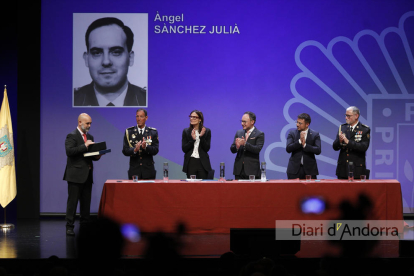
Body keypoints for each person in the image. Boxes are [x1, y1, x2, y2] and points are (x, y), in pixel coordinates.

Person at [74, 17, 146, 106]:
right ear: (86, 59)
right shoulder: (71, 100)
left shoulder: (149, 100)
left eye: (116, 52)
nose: (106, 61)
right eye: (96, 53)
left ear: (130, 58)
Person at [63, 113, 102, 236]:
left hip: (87, 174)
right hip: (75, 175)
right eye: (87, 123)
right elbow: (69, 152)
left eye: (90, 123)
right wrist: (84, 145)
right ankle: (69, 226)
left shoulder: (90, 136)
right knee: (72, 203)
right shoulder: (72, 136)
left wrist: (97, 156)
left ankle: (84, 226)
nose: (89, 125)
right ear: (80, 122)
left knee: (86, 203)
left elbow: (89, 156)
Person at [333, 106, 370, 179]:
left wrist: (348, 142)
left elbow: (364, 147)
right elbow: (335, 147)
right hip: (343, 168)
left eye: (348, 116)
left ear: (356, 116)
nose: (346, 118)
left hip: (357, 169)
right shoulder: (342, 127)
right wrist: (339, 141)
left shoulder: (364, 129)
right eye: (345, 115)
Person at [122, 109, 158, 179]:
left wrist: (146, 147)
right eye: (137, 116)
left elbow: (155, 150)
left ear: (146, 118)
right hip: (134, 170)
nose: (139, 119)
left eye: (141, 116)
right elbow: (125, 151)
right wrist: (134, 150)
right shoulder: (129, 132)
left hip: (148, 171)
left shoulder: (152, 132)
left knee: (148, 190)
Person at [286, 113, 321, 179]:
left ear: (307, 124)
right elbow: (288, 148)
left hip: (310, 170)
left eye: (300, 123)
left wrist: (305, 145)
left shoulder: (315, 134)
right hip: (294, 170)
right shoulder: (292, 133)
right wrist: (299, 141)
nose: (297, 125)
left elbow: (318, 150)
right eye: (297, 122)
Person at [230, 112, 265, 179]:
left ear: (252, 122)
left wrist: (245, 144)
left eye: (244, 122)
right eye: (241, 121)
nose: (242, 124)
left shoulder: (259, 134)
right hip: (239, 170)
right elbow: (232, 149)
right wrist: (237, 147)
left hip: (252, 170)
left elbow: (257, 149)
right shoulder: (239, 132)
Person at [181, 110, 213, 179]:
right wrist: (192, 140)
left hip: (202, 162)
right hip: (191, 162)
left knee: (203, 186)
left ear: (200, 119)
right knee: (191, 187)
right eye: (190, 117)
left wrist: (201, 137)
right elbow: (184, 149)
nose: (191, 118)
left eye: (194, 117)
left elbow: (206, 148)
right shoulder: (186, 131)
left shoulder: (206, 131)